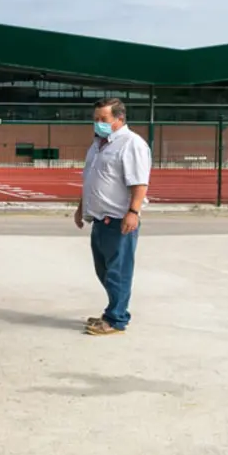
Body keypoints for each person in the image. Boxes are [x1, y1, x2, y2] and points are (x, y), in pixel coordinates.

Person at [74, 97, 152, 336]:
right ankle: (112, 310)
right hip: (99, 218)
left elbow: (139, 182)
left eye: (103, 119)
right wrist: (81, 208)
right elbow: (91, 179)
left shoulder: (131, 144)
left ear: (119, 119)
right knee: (103, 270)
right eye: (95, 119)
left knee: (118, 271)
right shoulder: (98, 145)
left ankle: (116, 318)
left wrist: (133, 212)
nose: (98, 124)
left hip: (119, 219)